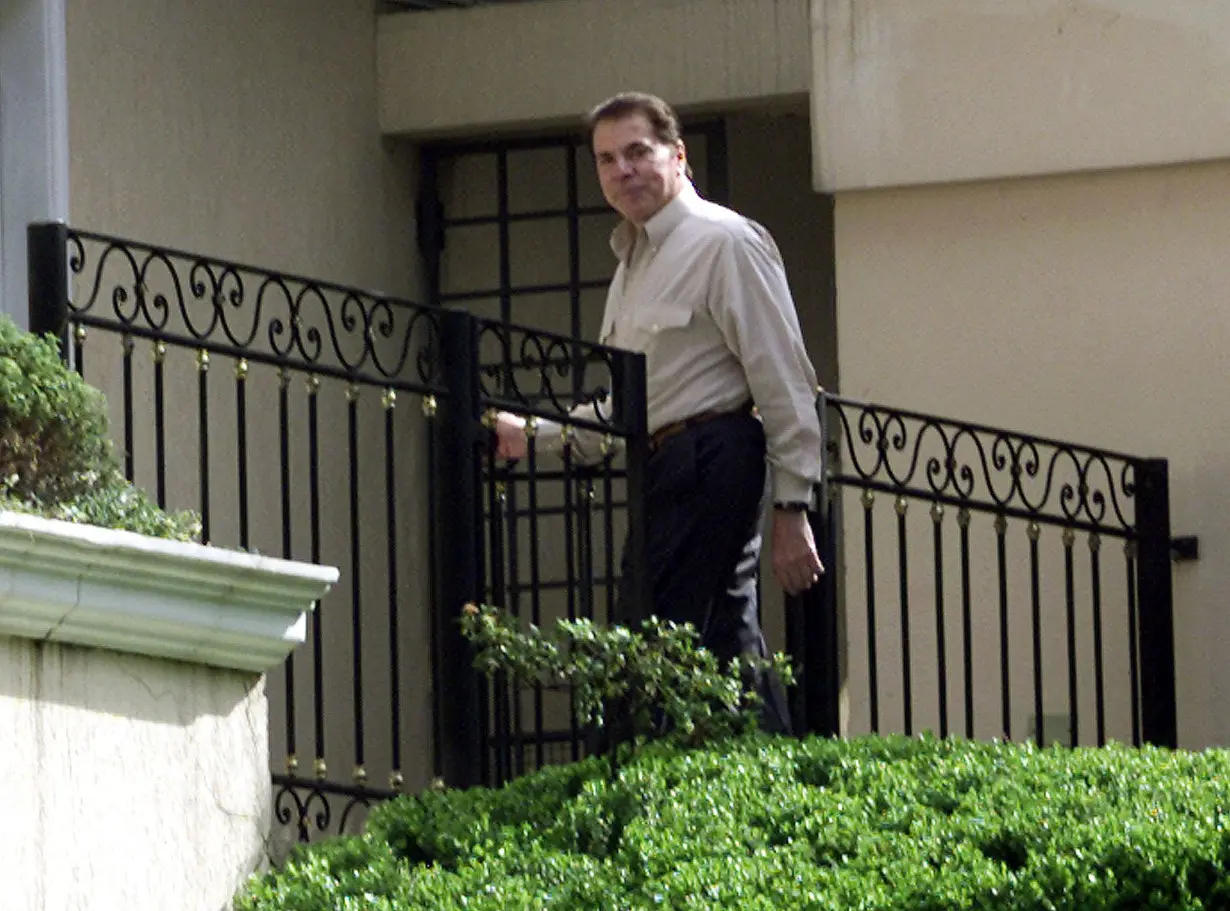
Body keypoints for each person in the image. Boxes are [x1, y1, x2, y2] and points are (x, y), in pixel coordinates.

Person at [492, 91, 824, 733]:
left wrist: (793, 507)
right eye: (607, 159)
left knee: (652, 639)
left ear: (678, 157)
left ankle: (639, 777)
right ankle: (774, 769)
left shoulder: (724, 242)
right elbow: (633, 406)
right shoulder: (633, 263)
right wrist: (529, 436)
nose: (623, 170)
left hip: (712, 455)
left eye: (638, 152)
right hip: (666, 464)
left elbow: (781, 376)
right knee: (722, 637)